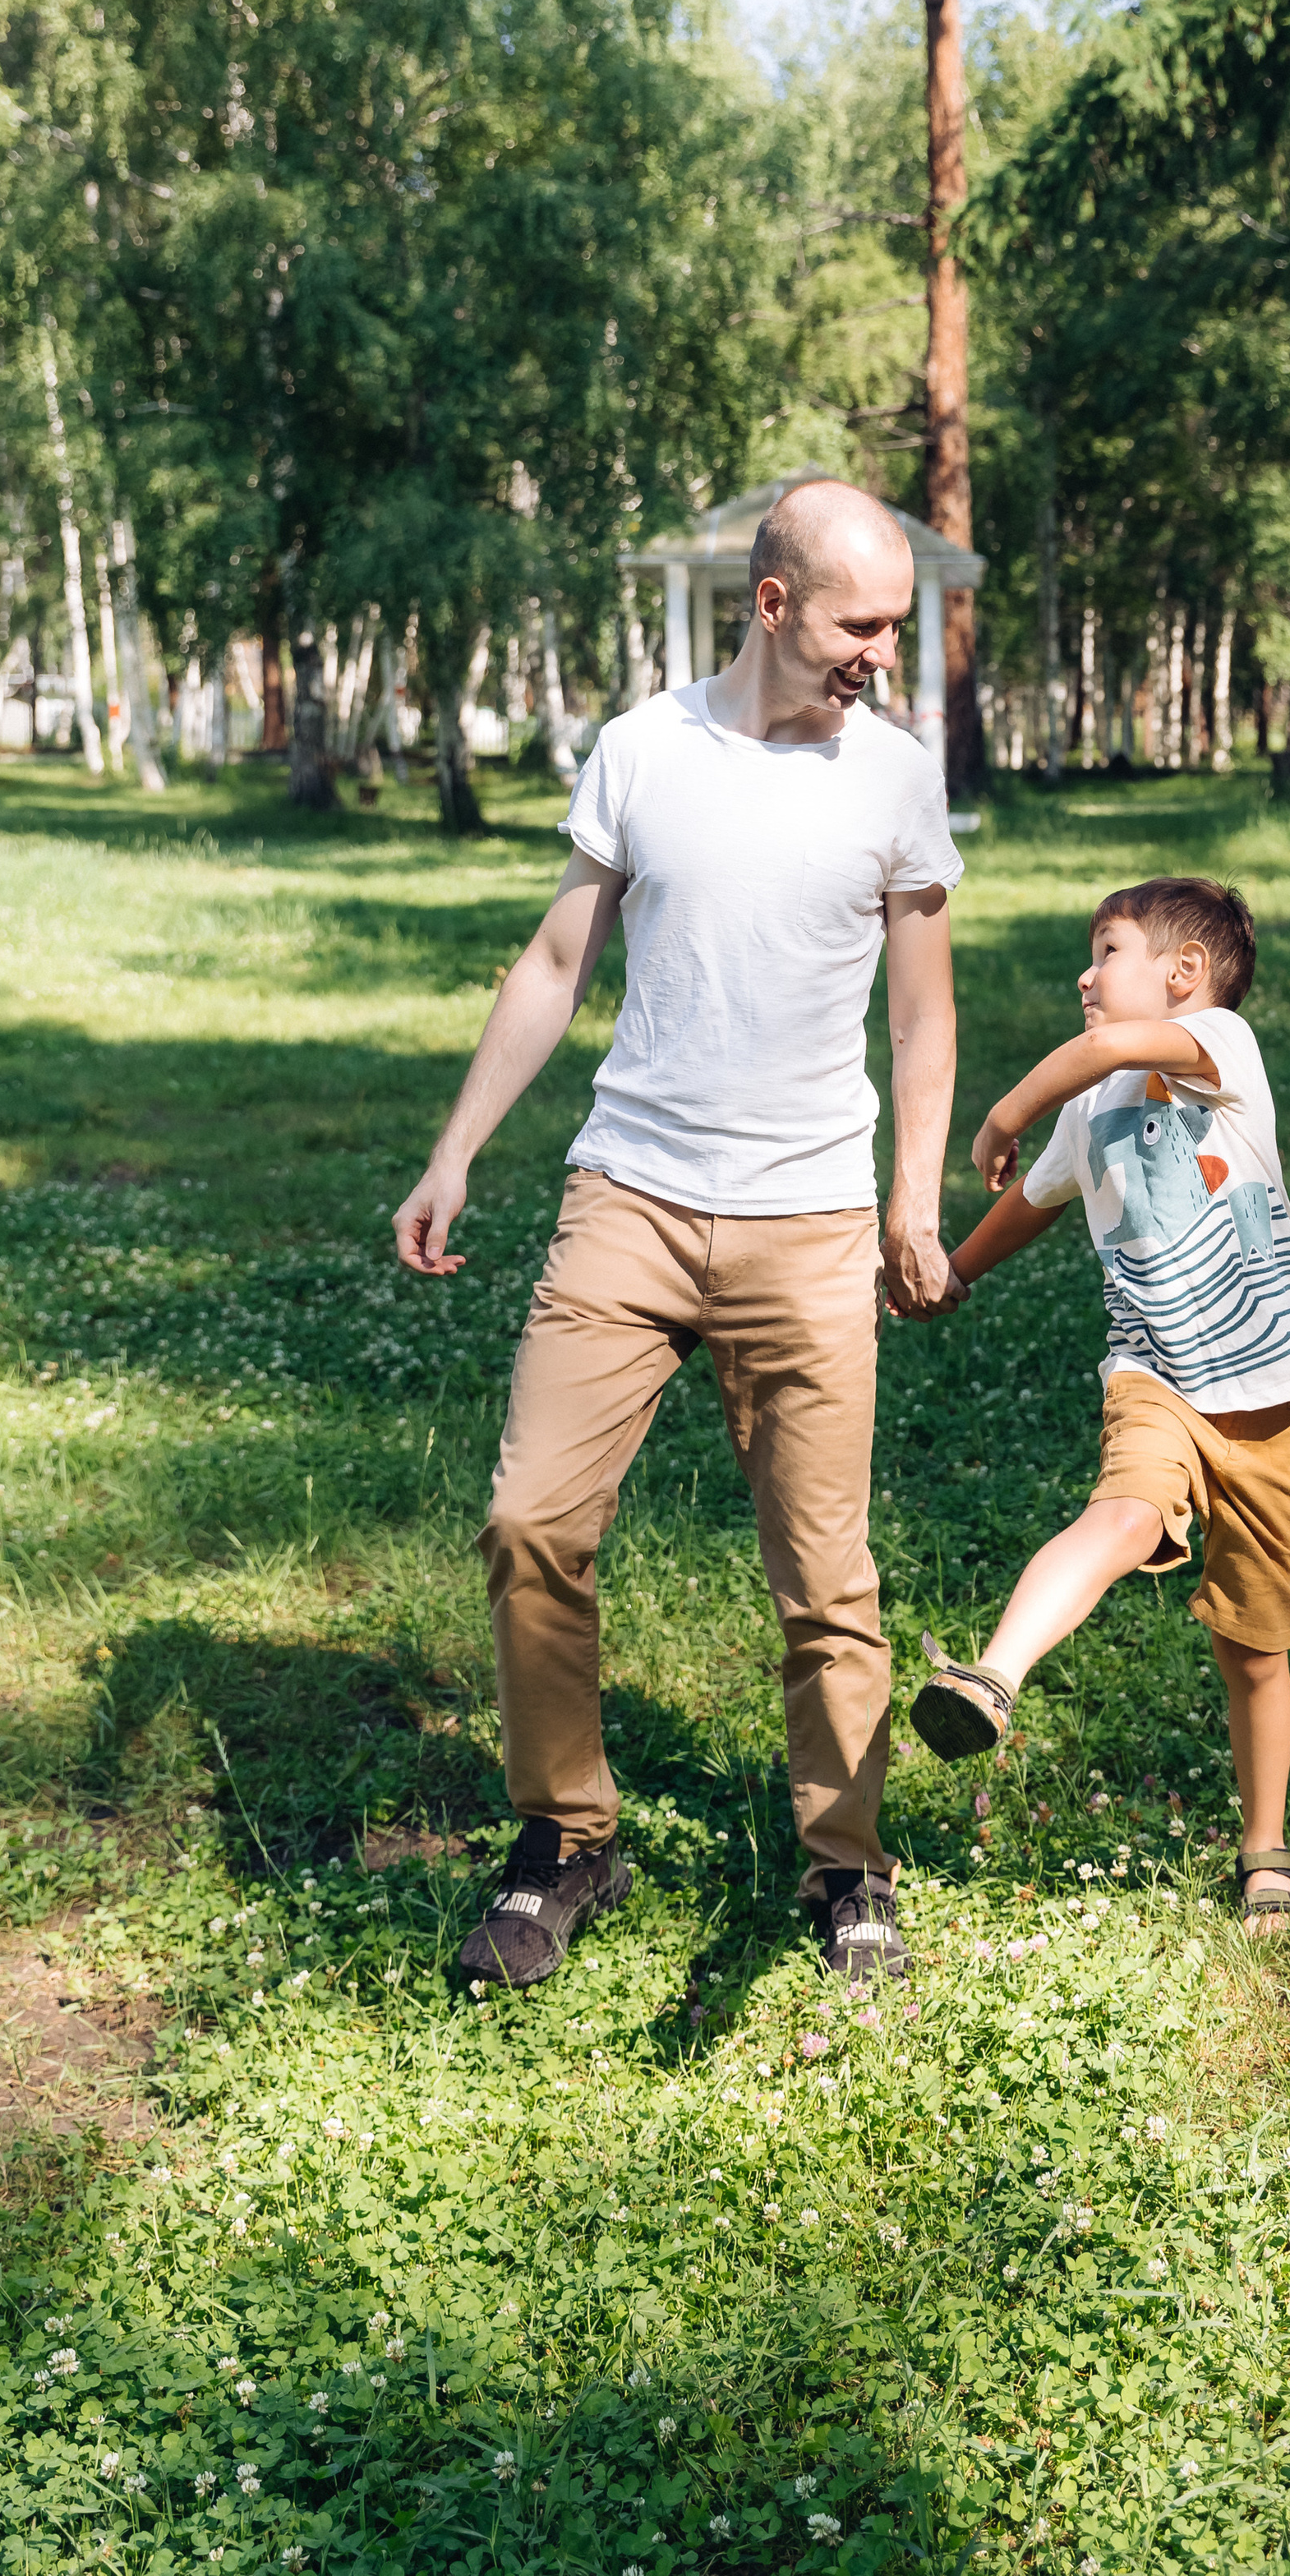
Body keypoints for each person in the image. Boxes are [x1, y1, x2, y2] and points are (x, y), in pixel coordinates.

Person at [392, 481, 965, 1992]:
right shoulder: (646, 750)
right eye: (861, 626)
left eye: (896, 628)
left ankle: (847, 1868)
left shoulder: (895, 781)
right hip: (628, 1203)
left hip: (813, 1221)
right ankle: (567, 1838)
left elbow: (922, 1010)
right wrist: (457, 1150)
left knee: (826, 1577)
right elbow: (557, 957)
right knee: (532, 1524)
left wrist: (913, 1194)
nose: (880, 657)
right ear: (771, 605)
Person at [910, 877, 1290, 1932]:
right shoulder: (1096, 1106)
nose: (1084, 976)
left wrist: (1005, 1108)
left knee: (1254, 1646)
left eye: (1106, 953)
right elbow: (1035, 1201)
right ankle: (991, 1681)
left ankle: (1266, 1850)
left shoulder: (1221, 1045)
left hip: (1275, 1407)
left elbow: (1100, 1052)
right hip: (1155, 1378)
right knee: (1123, 1515)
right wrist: (954, 1273)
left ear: (1182, 978)